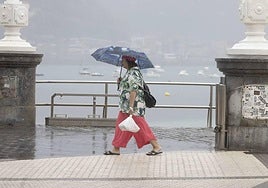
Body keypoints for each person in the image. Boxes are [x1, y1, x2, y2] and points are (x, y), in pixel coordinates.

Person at [104, 55, 162, 156]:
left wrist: (131, 107)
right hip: (125, 106)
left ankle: (156, 146)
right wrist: (120, 82)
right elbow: (127, 87)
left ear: (128, 61)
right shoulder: (129, 72)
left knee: (140, 126)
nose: (122, 63)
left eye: (123, 61)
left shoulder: (134, 73)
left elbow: (133, 90)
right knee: (121, 127)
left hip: (133, 106)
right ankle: (116, 148)